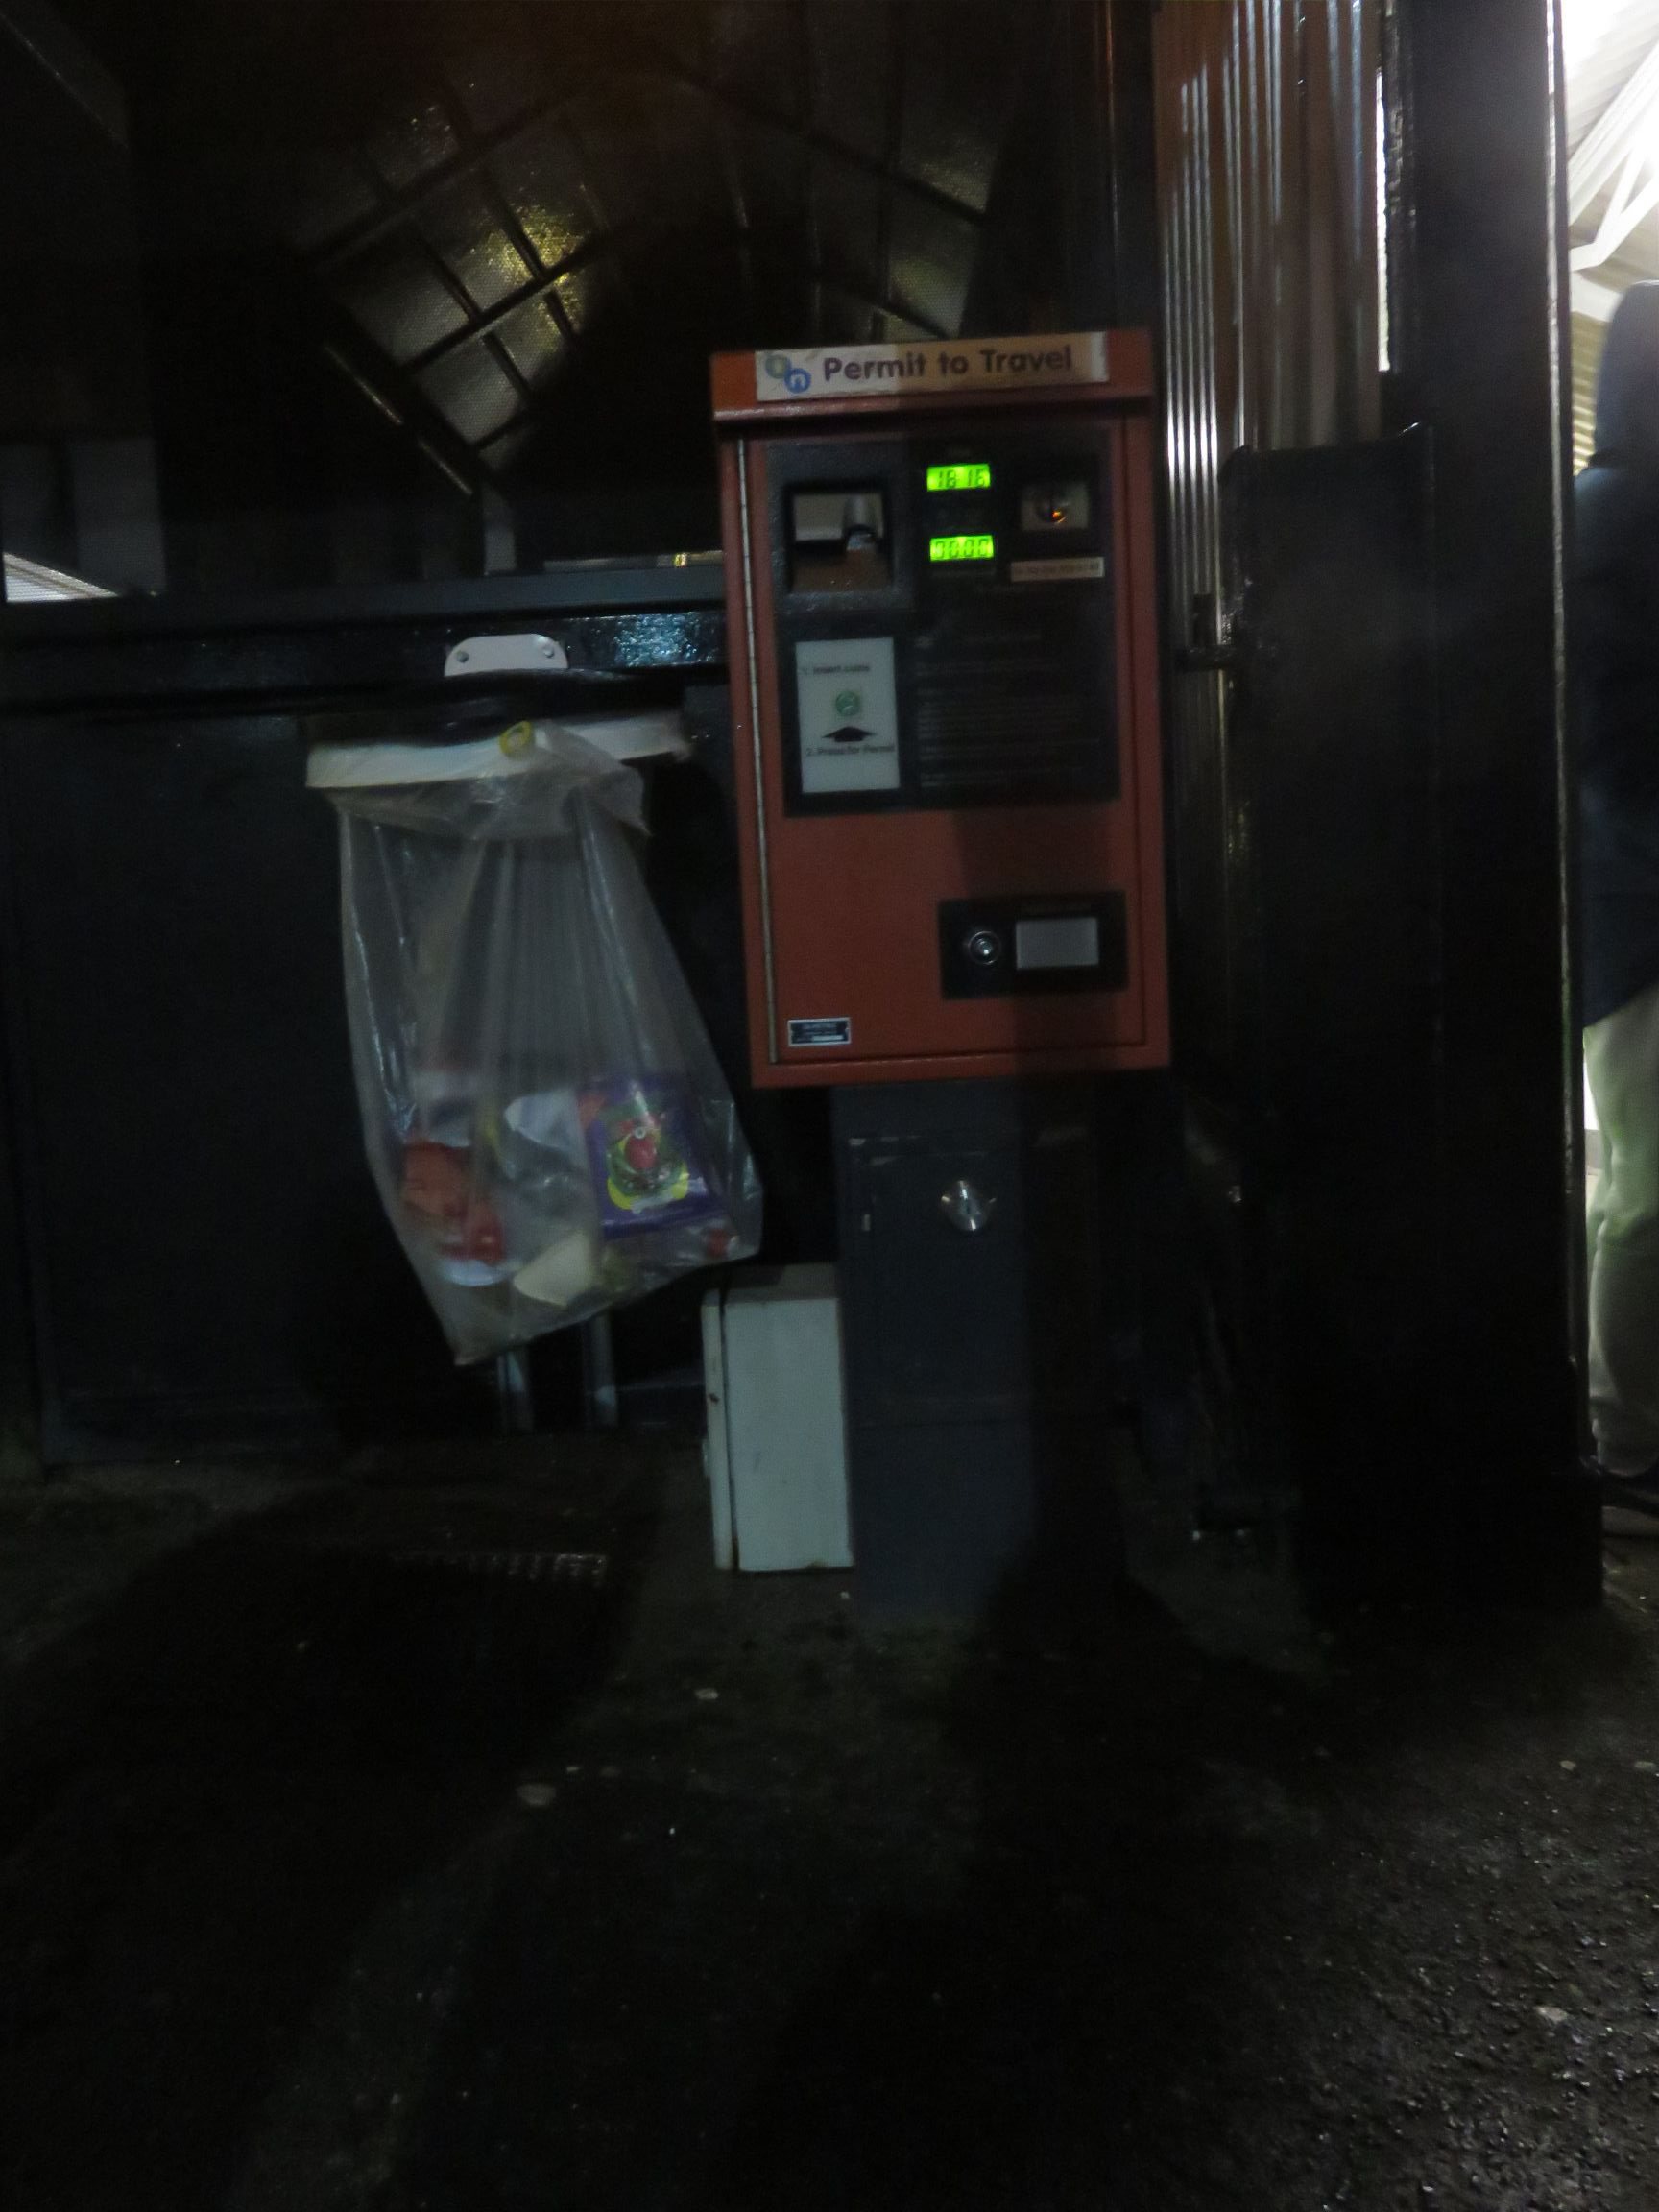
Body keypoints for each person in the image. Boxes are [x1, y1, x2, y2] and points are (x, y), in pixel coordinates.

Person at [1580, 284, 1659, 1518]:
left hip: (1620, 903)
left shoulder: (1597, 509)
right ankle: (1629, 1448)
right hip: (1642, 906)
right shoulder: (1628, 519)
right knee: (1648, 1187)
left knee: (1636, 1177)